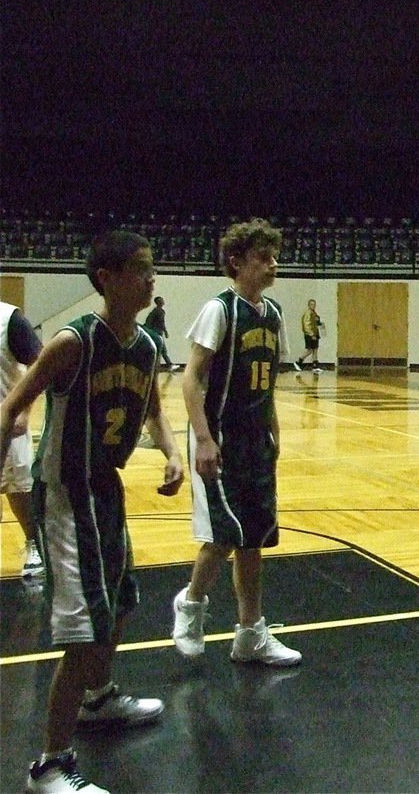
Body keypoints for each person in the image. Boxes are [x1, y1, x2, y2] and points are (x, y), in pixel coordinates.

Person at [0, 231, 184, 794]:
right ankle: (50, 764)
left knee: (122, 599)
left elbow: (154, 413)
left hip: (106, 488)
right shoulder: (72, 342)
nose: (151, 279)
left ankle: (99, 699)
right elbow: (12, 405)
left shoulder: (148, 347)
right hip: (64, 493)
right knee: (84, 632)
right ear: (107, 279)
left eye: (152, 269)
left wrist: (174, 452)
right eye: (140, 270)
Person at [172, 219, 302, 668]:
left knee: (255, 539)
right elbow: (190, 379)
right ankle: (190, 605)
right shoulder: (220, 309)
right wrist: (203, 439)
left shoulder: (275, 314)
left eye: (273, 256)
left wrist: (276, 433)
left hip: (256, 440)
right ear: (236, 262)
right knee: (224, 535)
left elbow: (267, 385)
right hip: (220, 439)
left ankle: (250, 634)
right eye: (263, 257)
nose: (272, 264)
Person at [1, 301, 45, 578]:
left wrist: (25, 410)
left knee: (20, 489)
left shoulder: (9, 319)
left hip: (8, 419)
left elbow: (40, 365)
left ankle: (34, 543)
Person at [143, 295, 176, 371]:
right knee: (161, 350)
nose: (163, 301)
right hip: (156, 333)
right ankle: (167, 365)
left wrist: (165, 331)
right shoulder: (156, 312)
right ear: (158, 302)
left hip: (159, 333)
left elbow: (162, 323)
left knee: (162, 350)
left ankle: (168, 365)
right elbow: (150, 322)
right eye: (161, 300)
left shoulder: (160, 311)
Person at [293, 298, 324, 374]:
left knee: (315, 349)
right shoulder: (308, 313)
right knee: (310, 350)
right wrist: (311, 334)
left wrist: (320, 324)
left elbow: (315, 322)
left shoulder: (314, 313)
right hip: (310, 335)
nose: (313, 306)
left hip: (315, 334)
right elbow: (306, 325)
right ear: (309, 305)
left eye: (314, 304)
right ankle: (298, 362)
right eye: (312, 304)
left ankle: (315, 366)